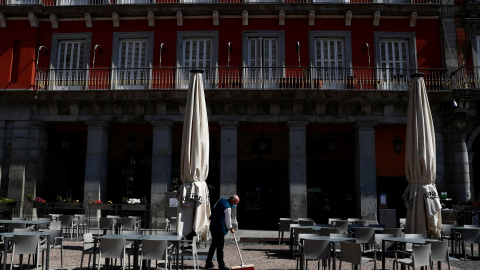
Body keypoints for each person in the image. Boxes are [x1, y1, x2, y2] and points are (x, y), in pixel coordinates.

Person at [204, 195, 240, 270]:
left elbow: (214, 207)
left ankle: (208, 263)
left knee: (213, 245)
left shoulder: (221, 200)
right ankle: (221, 265)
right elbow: (228, 219)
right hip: (219, 228)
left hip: (213, 225)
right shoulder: (228, 207)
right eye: (236, 203)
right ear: (232, 200)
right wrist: (230, 228)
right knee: (220, 247)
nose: (235, 205)